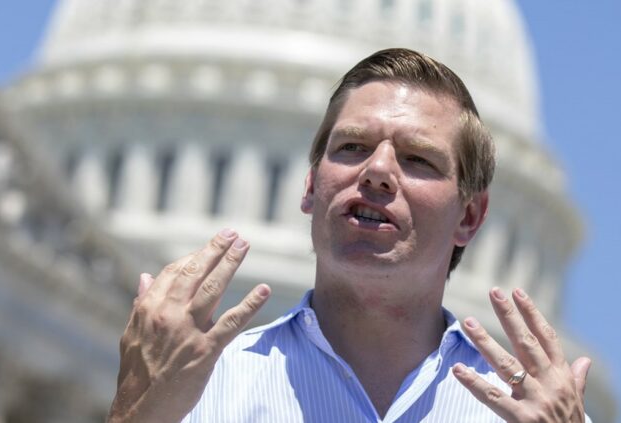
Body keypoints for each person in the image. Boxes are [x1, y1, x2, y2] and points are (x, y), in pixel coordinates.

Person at [107, 48, 592, 423]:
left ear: (470, 216)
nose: (377, 170)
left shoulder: (525, 412)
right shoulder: (200, 386)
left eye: (417, 159)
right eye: (352, 146)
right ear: (311, 186)